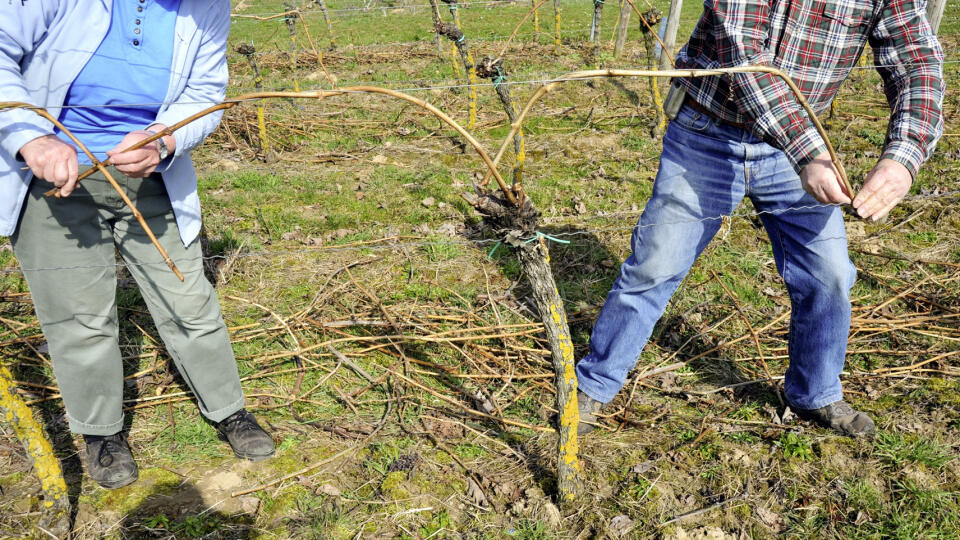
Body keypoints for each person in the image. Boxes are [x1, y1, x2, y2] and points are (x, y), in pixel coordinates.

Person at [575, 0, 943, 437]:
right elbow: (745, 57)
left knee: (828, 274)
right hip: (707, 134)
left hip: (797, 151)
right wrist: (808, 151)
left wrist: (903, 158)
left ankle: (815, 392)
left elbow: (916, 64)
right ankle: (596, 384)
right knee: (657, 264)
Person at [0, 1, 275, 489]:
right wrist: (31, 138)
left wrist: (162, 139)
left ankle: (229, 410)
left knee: (188, 298)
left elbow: (204, 91)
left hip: (147, 174)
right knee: (80, 316)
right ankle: (101, 432)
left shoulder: (207, 6)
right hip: (50, 175)